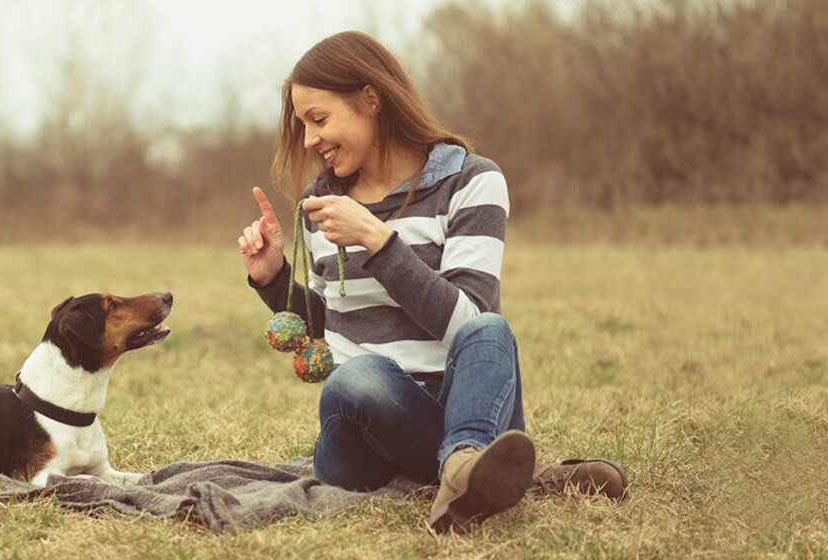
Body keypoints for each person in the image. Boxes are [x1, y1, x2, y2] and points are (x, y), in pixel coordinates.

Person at [236, 31, 627, 533]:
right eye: (302, 124)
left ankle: (462, 468)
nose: (310, 139)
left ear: (371, 100)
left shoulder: (472, 182)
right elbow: (329, 323)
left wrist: (380, 242)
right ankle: (506, 477)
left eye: (319, 119)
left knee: (490, 331)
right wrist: (273, 279)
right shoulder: (323, 204)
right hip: (359, 436)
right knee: (356, 376)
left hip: (464, 403)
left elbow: (466, 318)